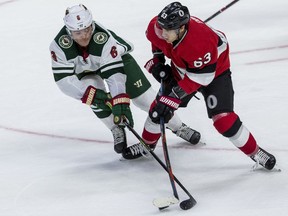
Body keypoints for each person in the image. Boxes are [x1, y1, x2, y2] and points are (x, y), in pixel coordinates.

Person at [49, 4, 201, 159]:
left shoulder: (103, 39)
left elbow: (114, 74)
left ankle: (179, 127)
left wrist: (120, 103)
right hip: (87, 72)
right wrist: (93, 95)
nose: (84, 36)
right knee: (93, 95)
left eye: (87, 29)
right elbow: (64, 80)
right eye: (78, 32)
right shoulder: (58, 46)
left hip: (117, 61)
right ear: (68, 31)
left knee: (145, 100)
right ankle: (116, 128)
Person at [142, 2, 276, 170]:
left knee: (223, 121)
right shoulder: (159, 27)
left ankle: (255, 152)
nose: (162, 33)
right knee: (158, 110)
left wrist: (172, 97)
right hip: (184, 67)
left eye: (167, 30)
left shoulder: (200, 43)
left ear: (181, 28)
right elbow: (157, 42)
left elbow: (201, 79)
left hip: (215, 73)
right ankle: (146, 145)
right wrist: (158, 61)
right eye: (161, 28)